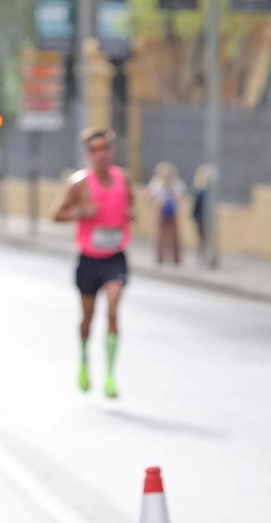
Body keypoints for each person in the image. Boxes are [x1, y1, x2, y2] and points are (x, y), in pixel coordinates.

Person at [52, 128, 132, 398]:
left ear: (112, 151)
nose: (101, 155)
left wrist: (129, 214)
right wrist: (81, 212)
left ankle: (110, 375)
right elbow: (56, 214)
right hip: (89, 259)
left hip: (115, 256)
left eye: (105, 149)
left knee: (112, 311)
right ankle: (85, 359)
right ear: (88, 154)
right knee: (88, 318)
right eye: (95, 150)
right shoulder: (79, 183)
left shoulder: (124, 179)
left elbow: (129, 207)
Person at [149, 162, 186, 266]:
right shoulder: (157, 183)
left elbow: (181, 196)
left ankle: (176, 258)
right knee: (160, 235)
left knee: (175, 235)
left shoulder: (176, 183)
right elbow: (151, 195)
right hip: (161, 210)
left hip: (173, 211)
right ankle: (160, 258)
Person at [190, 163, 213, 268]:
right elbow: (196, 206)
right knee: (202, 238)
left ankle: (206, 257)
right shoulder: (201, 190)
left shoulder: (208, 191)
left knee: (205, 238)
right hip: (201, 217)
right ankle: (202, 257)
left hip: (206, 217)